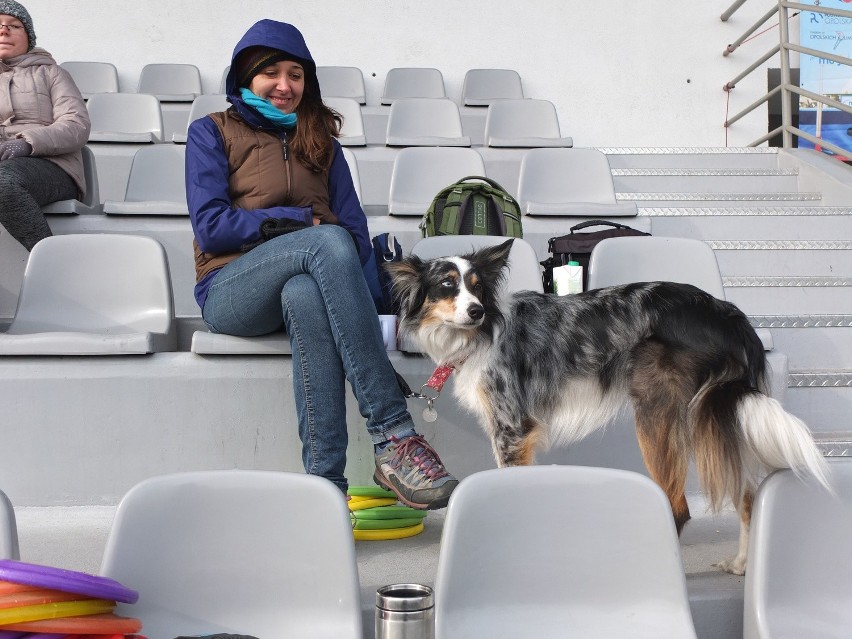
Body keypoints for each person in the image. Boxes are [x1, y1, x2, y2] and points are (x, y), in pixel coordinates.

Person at [185, 19, 458, 509]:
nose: (285, 86)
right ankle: (394, 435)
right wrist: (297, 222)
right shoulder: (211, 132)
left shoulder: (323, 145)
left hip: (307, 282)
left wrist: (354, 297)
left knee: (307, 293)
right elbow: (211, 227)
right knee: (323, 240)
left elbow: (355, 238)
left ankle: (324, 490)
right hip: (231, 288)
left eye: (296, 74)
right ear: (246, 76)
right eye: (272, 73)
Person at [0, 0, 90, 251]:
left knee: (2, 183)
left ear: (28, 37)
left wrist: (27, 143)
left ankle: (55, 263)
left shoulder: (52, 73)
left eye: (14, 25)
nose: (4, 30)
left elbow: (77, 124)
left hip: (52, 166)